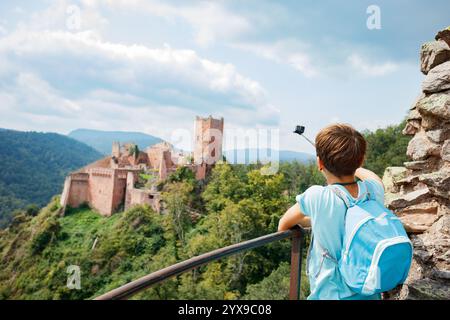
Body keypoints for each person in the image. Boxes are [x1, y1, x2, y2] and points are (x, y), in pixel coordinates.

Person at [278, 124, 385, 300]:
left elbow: (283, 224)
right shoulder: (374, 191)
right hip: (370, 292)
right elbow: (373, 176)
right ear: (361, 161)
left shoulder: (317, 196)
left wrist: (317, 220)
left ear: (320, 163)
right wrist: (351, 164)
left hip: (329, 295)